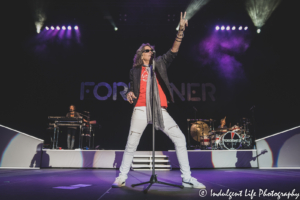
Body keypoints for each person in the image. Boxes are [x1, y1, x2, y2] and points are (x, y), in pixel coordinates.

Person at [112, 12, 205, 189]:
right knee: (131, 144)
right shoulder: (135, 71)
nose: (151, 52)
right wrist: (128, 93)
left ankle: (187, 178)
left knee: (180, 138)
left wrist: (180, 32)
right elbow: (130, 88)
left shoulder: (159, 63)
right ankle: (122, 177)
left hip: (159, 110)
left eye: (152, 50)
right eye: (148, 50)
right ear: (141, 55)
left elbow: (174, 51)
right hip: (140, 109)